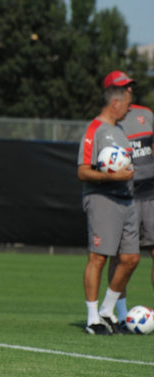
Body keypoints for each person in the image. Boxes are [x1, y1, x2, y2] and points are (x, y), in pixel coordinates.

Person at [77, 72, 140, 334]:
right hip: (103, 199)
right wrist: (110, 175)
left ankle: (107, 310)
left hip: (127, 201)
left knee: (130, 258)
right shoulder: (96, 129)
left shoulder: (121, 130)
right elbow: (82, 171)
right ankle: (93, 317)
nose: (128, 106)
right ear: (115, 103)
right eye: (126, 101)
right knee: (99, 257)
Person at [105, 71, 154, 328]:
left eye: (129, 87)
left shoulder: (146, 115)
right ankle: (120, 315)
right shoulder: (107, 124)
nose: (128, 92)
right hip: (124, 199)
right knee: (122, 258)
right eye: (123, 88)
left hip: (152, 196)